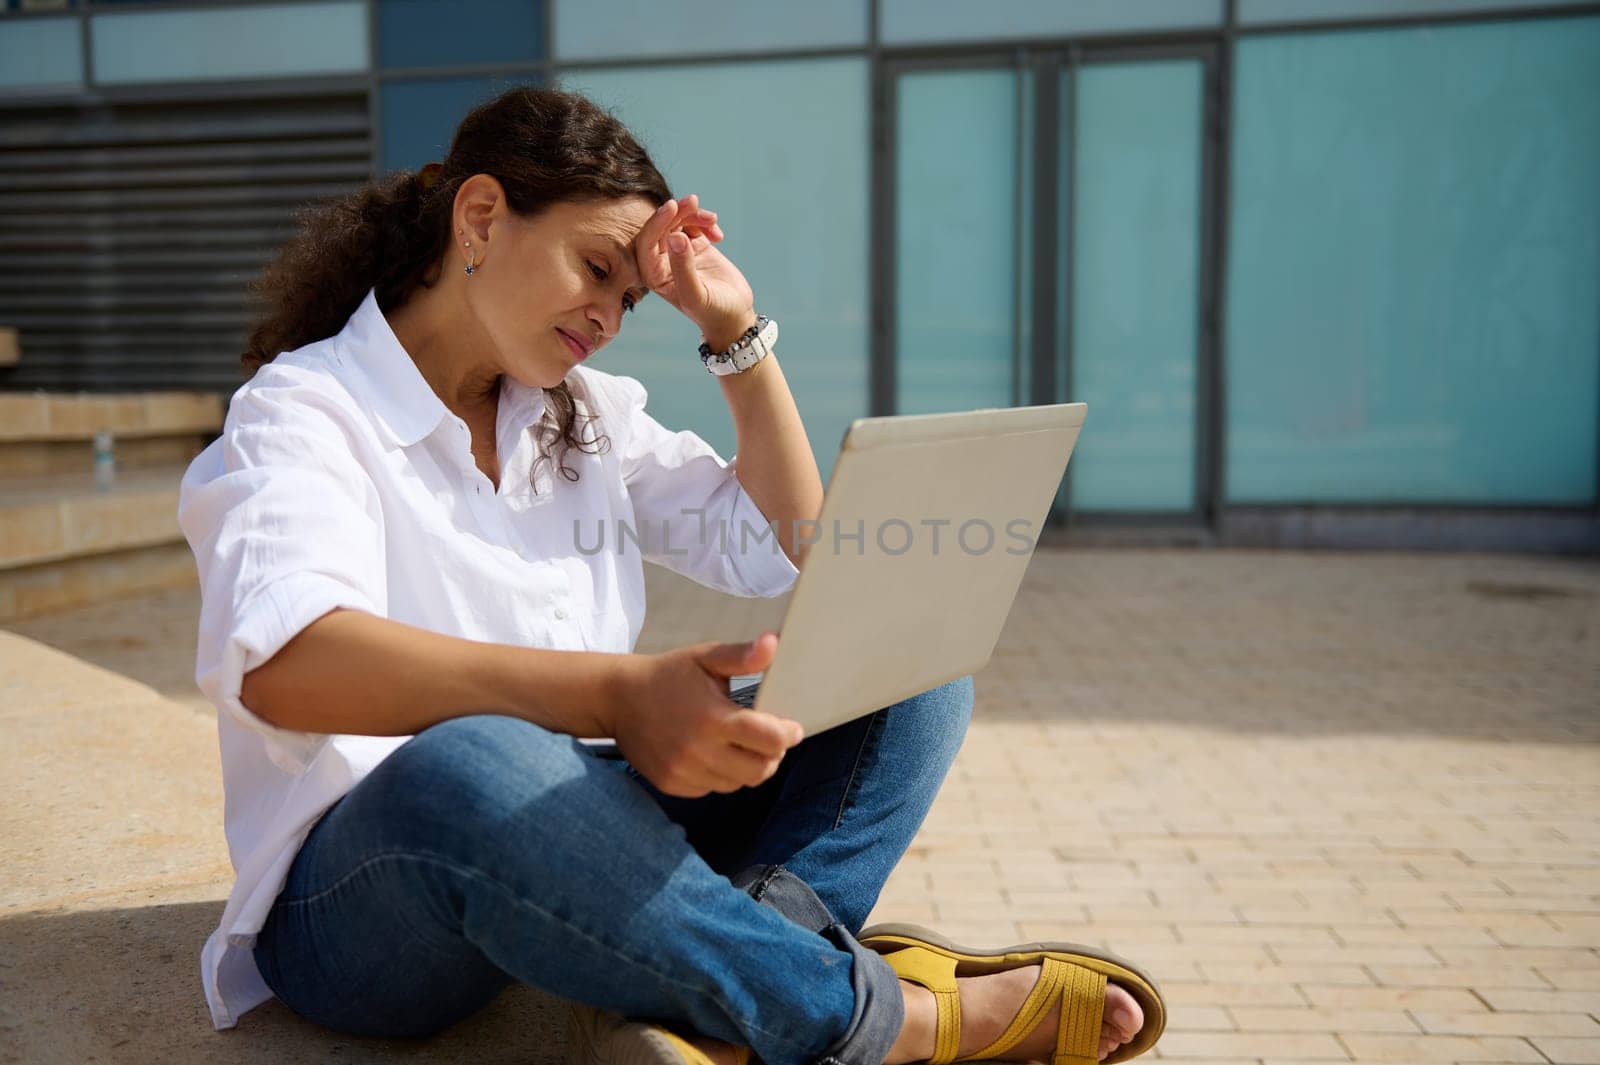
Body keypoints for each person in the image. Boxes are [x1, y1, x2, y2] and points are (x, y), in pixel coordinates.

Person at [177, 86, 1158, 1065]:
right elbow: (285, 662)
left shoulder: (579, 412)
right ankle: (902, 1023)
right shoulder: (304, 413)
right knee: (475, 759)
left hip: (572, 822)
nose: (605, 316)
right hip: (369, 891)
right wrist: (615, 692)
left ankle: (733, 1005)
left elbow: (789, 538)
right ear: (480, 218)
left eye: (626, 299)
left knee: (910, 670)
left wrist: (732, 330)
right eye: (594, 268)